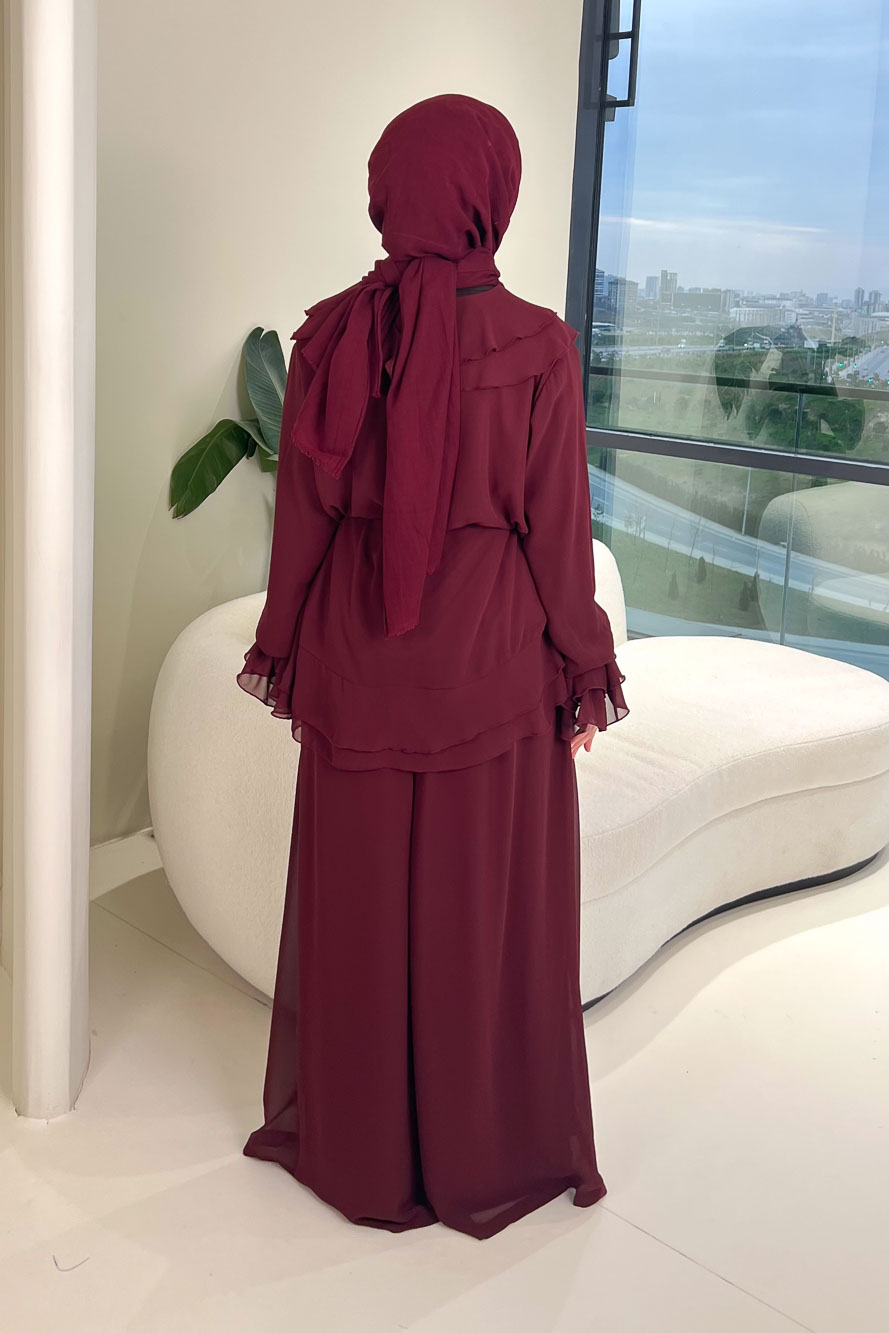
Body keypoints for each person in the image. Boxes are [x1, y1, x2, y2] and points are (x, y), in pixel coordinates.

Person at [236, 92, 629, 1241]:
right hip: (493, 674)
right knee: (476, 924)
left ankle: (361, 1150)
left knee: (361, 919)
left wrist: (281, 645)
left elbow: (301, 525)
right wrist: (586, 669)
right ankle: (480, 1145)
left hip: (359, 666)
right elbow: (556, 541)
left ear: (387, 192)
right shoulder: (537, 347)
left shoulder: (330, 338)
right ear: (491, 196)